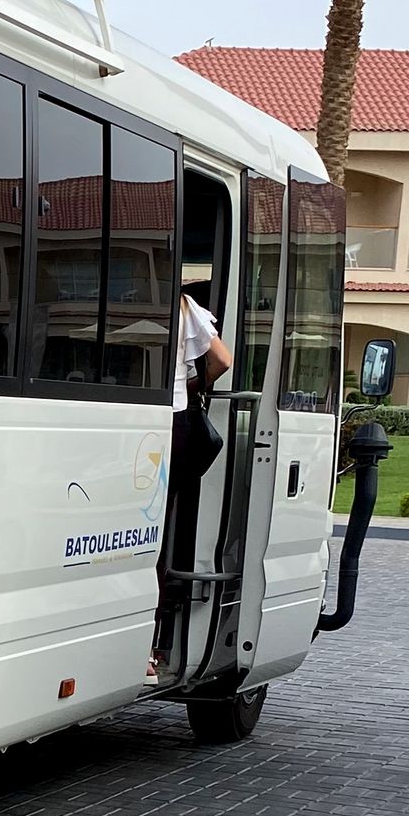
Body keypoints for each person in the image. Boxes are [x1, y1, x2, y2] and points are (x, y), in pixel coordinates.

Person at [150, 288, 232, 680]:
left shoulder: (138, 298)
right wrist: (194, 387)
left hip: (146, 416)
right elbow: (222, 359)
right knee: (159, 534)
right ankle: (152, 645)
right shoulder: (185, 304)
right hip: (178, 424)